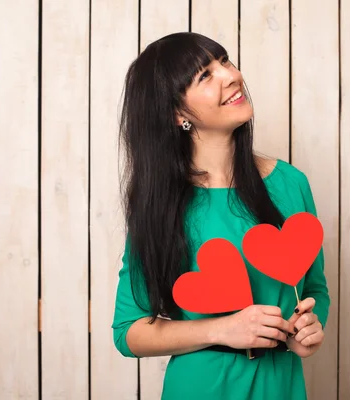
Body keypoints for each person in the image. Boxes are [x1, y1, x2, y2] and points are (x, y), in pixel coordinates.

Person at [111, 32, 330, 400]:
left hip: (282, 388)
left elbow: (314, 289)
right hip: (200, 387)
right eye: (204, 76)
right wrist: (222, 329)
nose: (231, 76)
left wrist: (308, 329)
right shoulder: (163, 204)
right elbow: (129, 330)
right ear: (176, 114)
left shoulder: (291, 184)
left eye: (224, 61)